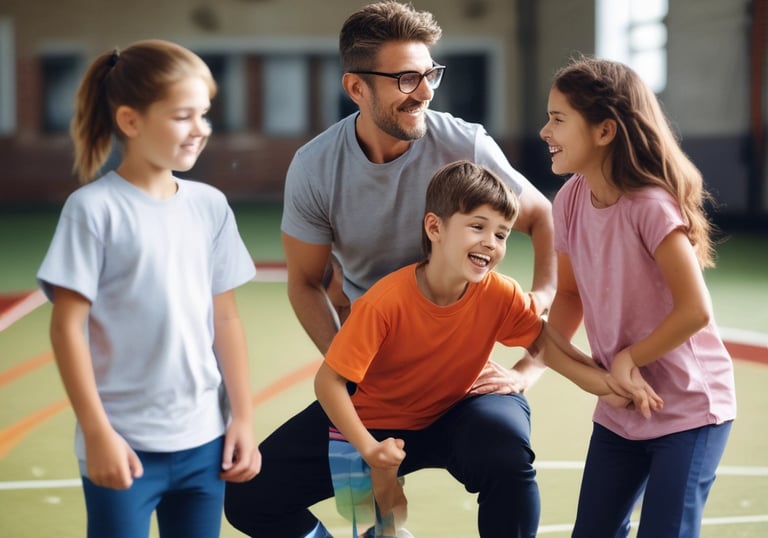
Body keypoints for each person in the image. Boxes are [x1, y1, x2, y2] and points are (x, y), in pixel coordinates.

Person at [226, 2, 555, 534]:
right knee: (251, 497)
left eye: (429, 74)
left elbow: (543, 218)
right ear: (357, 88)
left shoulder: (463, 143)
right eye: (407, 78)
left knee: (504, 455)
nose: (424, 91)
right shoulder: (315, 166)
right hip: (376, 384)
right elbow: (306, 283)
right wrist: (350, 367)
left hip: (461, 384)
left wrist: (530, 352)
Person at [37, 39, 261, 538]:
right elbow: (67, 328)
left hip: (206, 444)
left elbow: (225, 319)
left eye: (204, 114)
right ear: (131, 121)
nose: (200, 129)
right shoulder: (93, 210)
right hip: (124, 446)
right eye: (183, 116)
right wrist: (97, 433)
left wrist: (242, 419)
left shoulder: (210, 206)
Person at [539, 55, 737, 537]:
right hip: (621, 411)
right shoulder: (568, 200)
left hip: (689, 411)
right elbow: (567, 295)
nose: (545, 131)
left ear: (605, 131)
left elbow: (695, 310)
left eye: (558, 119)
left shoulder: (650, 206)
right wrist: (534, 362)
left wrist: (629, 358)